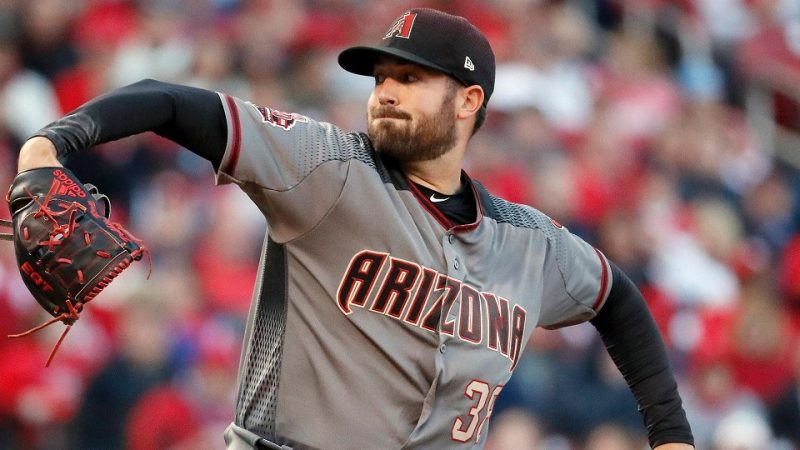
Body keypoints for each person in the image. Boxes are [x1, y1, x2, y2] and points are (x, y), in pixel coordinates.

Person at [13, 7, 694, 450]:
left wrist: (670, 436)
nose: (385, 91)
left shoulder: (529, 242)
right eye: (380, 78)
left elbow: (618, 301)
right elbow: (170, 101)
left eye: (410, 78)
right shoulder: (326, 166)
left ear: (469, 101)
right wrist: (52, 142)